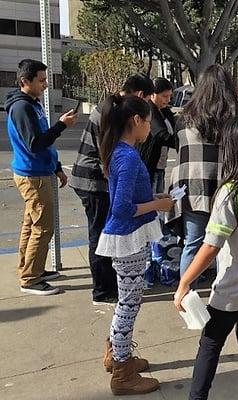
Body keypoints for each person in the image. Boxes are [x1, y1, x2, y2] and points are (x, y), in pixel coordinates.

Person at [174, 115, 238, 400]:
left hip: (235, 285)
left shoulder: (229, 193)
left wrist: (184, 282)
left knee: (209, 342)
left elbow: (210, 245)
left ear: (232, 149)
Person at [95, 94, 173, 395]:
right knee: (129, 303)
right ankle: (122, 370)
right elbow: (123, 208)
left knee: (127, 300)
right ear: (136, 121)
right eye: (148, 122)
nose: (150, 129)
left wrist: (155, 202)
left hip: (129, 236)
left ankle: (117, 354)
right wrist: (158, 205)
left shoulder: (120, 152)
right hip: (128, 238)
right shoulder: (126, 157)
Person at [70, 74, 155, 305]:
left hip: (100, 180)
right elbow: (108, 158)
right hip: (92, 182)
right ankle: (102, 290)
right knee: (99, 234)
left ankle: (110, 286)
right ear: (139, 96)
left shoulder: (114, 111)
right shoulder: (109, 115)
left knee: (102, 232)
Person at [5, 59, 78, 295]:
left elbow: (43, 142)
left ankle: (30, 269)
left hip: (39, 170)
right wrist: (61, 126)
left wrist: (56, 166)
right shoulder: (22, 108)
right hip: (32, 174)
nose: (45, 85)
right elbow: (35, 143)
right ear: (25, 81)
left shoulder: (32, 104)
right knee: (42, 227)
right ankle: (31, 278)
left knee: (31, 224)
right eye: (42, 80)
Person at [167, 65, 238, 284]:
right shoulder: (234, 116)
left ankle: (186, 293)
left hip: (191, 188)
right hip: (225, 187)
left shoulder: (185, 117)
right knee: (225, 244)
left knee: (193, 243)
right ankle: (222, 292)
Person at [137, 77, 177, 192]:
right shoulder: (149, 109)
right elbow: (161, 134)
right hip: (148, 165)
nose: (168, 100)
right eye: (164, 96)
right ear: (153, 94)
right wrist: (181, 144)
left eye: (170, 96)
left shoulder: (164, 111)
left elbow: (175, 128)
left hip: (160, 166)